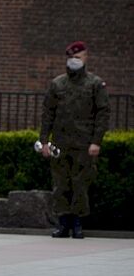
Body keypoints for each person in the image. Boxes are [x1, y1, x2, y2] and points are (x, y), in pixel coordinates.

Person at [39, 41, 109, 239]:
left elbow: (102, 114)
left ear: (86, 58)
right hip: (60, 143)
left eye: (78, 57)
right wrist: (44, 141)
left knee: (80, 184)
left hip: (83, 143)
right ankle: (63, 223)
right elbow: (48, 113)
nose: (74, 61)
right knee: (60, 184)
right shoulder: (57, 84)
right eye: (71, 58)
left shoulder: (95, 84)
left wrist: (96, 141)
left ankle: (77, 223)